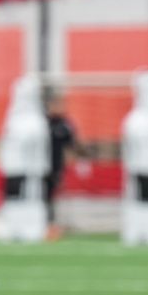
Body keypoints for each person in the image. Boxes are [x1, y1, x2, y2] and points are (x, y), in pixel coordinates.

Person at [45, 91, 88, 236]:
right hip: (38, 167)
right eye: (54, 104)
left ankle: (50, 225)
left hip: (55, 167)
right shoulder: (41, 122)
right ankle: (42, 224)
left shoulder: (64, 125)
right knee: (40, 196)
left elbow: (74, 145)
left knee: (50, 196)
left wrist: (83, 159)